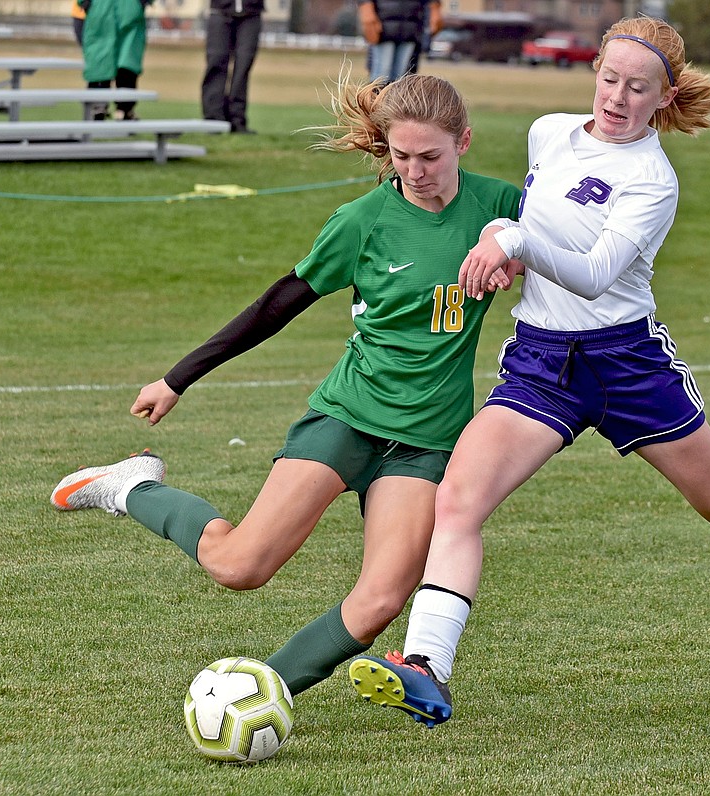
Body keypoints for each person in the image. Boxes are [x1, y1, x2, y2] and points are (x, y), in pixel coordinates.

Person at [349, 16, 710, 730]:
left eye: (638, 88)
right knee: (459, 501)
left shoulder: (652, 180)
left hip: (629, 366)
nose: (617, 97)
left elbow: (597, 274)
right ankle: (424, 667)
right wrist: (505, 247)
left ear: (663, 97)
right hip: (542, 365)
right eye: (609, 79)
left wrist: (514, 238)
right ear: (595, 73)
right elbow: (538, 233)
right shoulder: (549, 133)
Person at [50, 74, 522, 701]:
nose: (414, 172)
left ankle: (261, 694)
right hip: (348, 417)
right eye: (400, 156)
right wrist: (177, 377)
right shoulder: (364, 221)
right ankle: (131, 487)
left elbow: (571, 256)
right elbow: (279, 303)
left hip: (429, 441)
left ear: (464, 141)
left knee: (381, 600)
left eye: (430, 156)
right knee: (239, 565)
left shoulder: (503, 206)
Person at [79, 0, 152, 121]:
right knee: (119, 59)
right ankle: (120, 108)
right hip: (115, 9)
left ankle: (105, 107)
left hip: (106, 9)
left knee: (119, 61)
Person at [201, 0, 264, 134]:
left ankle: (237, 120)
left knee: (243, 67)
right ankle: (213, 119)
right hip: (220, 11)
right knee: (216, 62)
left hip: (251, 13)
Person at [357, 0, 443, 84]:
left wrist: (435, 7)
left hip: (410, 27)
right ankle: (375, 97)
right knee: (381, 76)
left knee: (401, 78)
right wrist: (366, 7)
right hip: (383, 27)